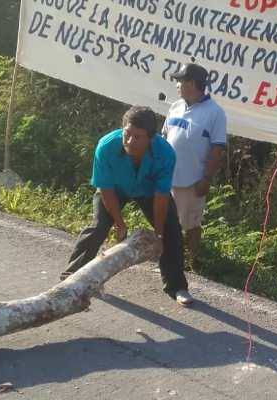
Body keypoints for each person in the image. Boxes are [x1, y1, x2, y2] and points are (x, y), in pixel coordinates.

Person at [61, 106, 192, 306]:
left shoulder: (165, 154)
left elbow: (161, 197)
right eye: (127, 134)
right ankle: (72, 277)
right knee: (98, 226)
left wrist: (158, 234)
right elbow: (105, 190)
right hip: (115, 189)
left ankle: (177, 287)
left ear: (151, 138)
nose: (130, 141)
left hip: (148, 192)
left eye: (138, 137)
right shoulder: (106, 147)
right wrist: (119, 223)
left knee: (171, 229)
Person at [162, 63, 226, 273]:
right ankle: (168, 259)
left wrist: (206, 178)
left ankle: (192, 261)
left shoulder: (215, 113)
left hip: (192, 180)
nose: (177, 85)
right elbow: (165, 137)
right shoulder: (175, 106)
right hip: (167, 176)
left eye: (180, 81)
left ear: (191, 84)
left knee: (191, 224)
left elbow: (217, 148)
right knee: (165, 220)